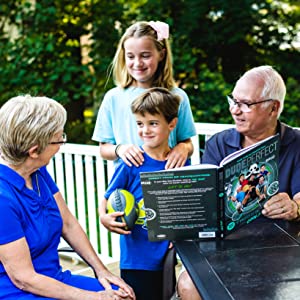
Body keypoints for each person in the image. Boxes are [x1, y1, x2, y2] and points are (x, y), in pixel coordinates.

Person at [176, 65, 300, 300]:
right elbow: (205, 205)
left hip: (281, 248)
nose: (235, 110)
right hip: (225, 246)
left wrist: (294, 209)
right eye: (233, 100)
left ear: (274, 108)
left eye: (245, 104)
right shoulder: (218, 144)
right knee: (189, 284)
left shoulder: (296, 143)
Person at [0, 95, 135, 300]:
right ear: (34, 151)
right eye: (58, 138)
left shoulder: (37, 172)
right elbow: (23, 278)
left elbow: (68, 223)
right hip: (20, 291)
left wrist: (102, 271)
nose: (62, 142)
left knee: (122, 295)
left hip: (54, 278)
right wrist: (95, 297)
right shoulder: (3, 198)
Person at [99, 87, 190, 300]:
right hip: (136, 257)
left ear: (172, 124)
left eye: (153, 123)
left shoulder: (180, 163)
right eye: (140, 124)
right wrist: (104, 218)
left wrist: (179, 234)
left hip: (167, 255)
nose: (145, 130)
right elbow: (106, 197)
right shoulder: (131, 162)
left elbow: (186, 206)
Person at [92, 20, 196, 169]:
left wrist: (184, 148)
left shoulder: (177, 96)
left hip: (169, 181)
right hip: (131, 185)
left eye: (145, 56)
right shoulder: (113, 98)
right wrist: (120, 149)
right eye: (130, 56)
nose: (137, 63)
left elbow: (187, 142)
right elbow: (104, 148)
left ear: (161, 54)